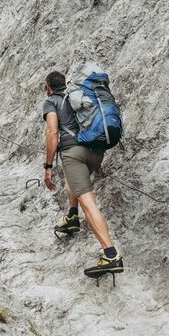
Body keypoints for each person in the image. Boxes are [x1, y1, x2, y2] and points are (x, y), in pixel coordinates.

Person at [42, 70, 123, 279]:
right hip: (96, 152)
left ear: (48, 87)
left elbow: (52, 132)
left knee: (88, 204)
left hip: (74, 154)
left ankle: (111, 254)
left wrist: (48, 166)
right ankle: (72, 216)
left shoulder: (51, 102)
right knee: (74, 184)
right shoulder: (78, 96)